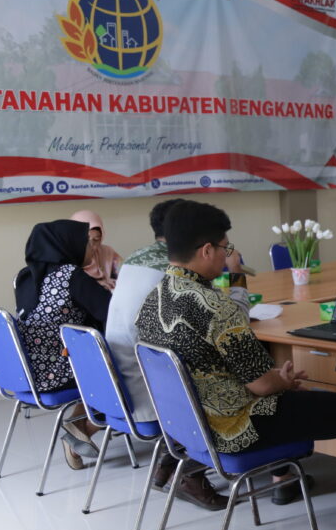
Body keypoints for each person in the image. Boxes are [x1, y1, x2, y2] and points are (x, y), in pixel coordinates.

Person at [134, 200, 336, 507]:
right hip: (237, 429)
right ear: (207, 250)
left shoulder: (152, 299)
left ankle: (286, 478)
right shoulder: (217, 307)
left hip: (187, 428)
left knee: (302, 401)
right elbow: (261, 386)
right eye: (225, 247)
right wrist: (282, 382)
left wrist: (275, 382)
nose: (227, 255)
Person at [106, 198, 238, 510]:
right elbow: (224, 317)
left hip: (124, 372)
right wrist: (236, 276)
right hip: (153, 385)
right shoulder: (174, 269)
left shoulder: (137, 257)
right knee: (231, 374)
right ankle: (194, 473)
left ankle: (170, 463)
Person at [14, 219, 112, 469]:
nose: (92, 248)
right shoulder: (71, 276)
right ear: (68, 245)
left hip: (29, 370)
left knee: (95, 357)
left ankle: (78, 425)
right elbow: (111, 313)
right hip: (60, 370)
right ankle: (81, 429)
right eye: (87, 243)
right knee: (123, 369)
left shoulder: (26, 276)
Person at [70, 210, 122, 290]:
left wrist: (113, 283)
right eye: (86, 239)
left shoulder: (108, 252)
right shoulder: (66, 256)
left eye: (96, 239)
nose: (92, 246)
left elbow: (119, 276)